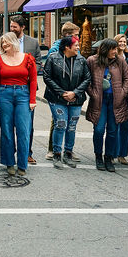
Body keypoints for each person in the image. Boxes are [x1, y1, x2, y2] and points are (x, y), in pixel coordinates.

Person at [41, 35, 89, 169]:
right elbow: (47, 77)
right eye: (76, 46)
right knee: (61, 124)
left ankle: (68, 153)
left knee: (72, 126)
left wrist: (75, 93)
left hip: (76, 98)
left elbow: (87, 78)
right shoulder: (53, 58)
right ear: (67, 47)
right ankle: (56, 154)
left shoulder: (81, 60)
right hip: (56, 98)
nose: (78, 48)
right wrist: (62, 92)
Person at [0, 32, 37, 176]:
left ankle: (22, 164)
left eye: (7, 42)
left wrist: (32, 100)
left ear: (14, 41)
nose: (4, 45)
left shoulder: (27, 58)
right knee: (6, 129)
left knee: (24, 130)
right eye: (2, 43)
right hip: (4, 94)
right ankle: (9, 162)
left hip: (23, 94)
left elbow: (34, 80)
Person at [84, 38, 128, 173]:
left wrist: (123, 92)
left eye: (116, 49)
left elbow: (127, 78)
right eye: (113, 49)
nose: (115, 52)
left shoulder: (120, 61)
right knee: (99, 129)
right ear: (105, 49)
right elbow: (86, 79)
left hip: (116, 100)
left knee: (112, 131)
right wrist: (92, 93)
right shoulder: (92, 61)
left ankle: (109, 157)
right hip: (99, 100)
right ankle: (98, 156)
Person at [114, 33, 128, 165]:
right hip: (115, 96)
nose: (122, 43)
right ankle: (113, 151)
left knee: (126, 127)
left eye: (124, 41)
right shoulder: (111, 57)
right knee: (114, 126)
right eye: (120, 41)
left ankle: (122, 154)